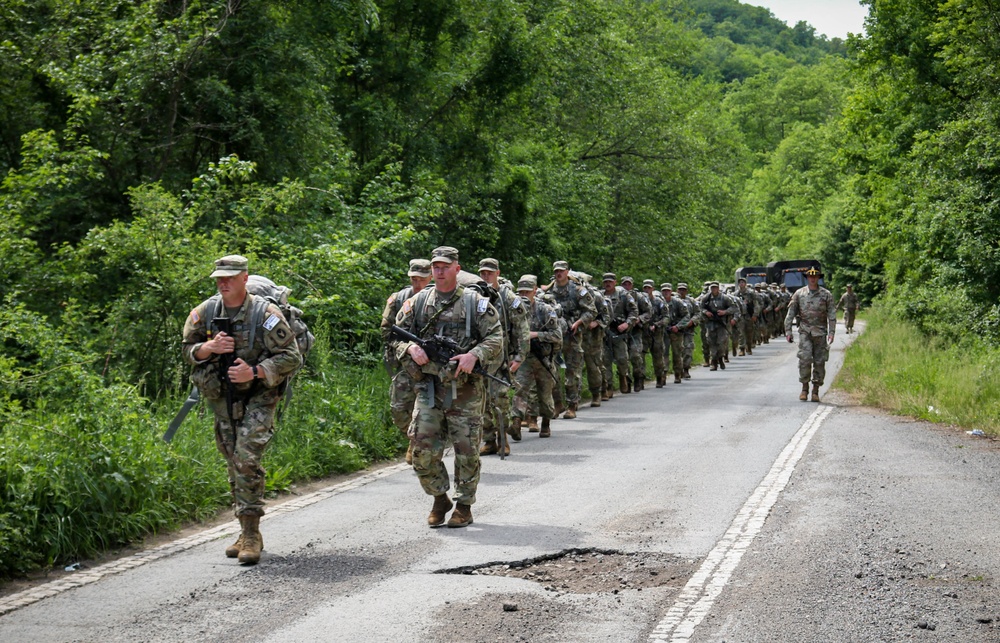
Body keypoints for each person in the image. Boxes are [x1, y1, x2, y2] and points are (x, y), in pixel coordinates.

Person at [182, 255, 302, 564]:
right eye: (219, 278)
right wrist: (207, 349)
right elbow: (186, 349)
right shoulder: (204, 313)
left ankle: (252, 534)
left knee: (246, 457)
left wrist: (257, 371)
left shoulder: (266, 314)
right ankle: (243, 530)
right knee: (232, 460)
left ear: (245, 278)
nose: (223, 283)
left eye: (230, 277)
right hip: (222, 397)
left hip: (260, 396)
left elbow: (292, 356)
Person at [394, 246, 503, 527]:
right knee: (420, 450)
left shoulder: (475, 303)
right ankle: (440, 497)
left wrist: (473, 355)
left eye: (445, 266)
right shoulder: (417, 303)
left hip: (465, 389)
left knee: (466, 450)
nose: (439, 271)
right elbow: (393, 337)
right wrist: (409, 349)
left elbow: (496, 337)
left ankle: (464, 505)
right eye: (435, 267)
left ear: (457, 268)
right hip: (429, 387)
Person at [380, 259, 432, 464]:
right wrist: (408, 347)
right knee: (399, 410)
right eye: (413, 279)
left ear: (430, 277)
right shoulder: (398, 299)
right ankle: (414, 439)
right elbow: (386, 331)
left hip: (431, 367)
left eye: (421, 279)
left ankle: (423, 447)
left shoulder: (440, 300)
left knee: (428, 412)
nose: (417, 283)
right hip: (404, 364)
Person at [477, 258, 529, 457]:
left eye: (489, 273)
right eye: (482, 273)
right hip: (480, 358)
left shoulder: (507, 297)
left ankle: (503, 438)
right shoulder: (474, 295)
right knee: (481, 401)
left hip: (502, 359)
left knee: (499, 400)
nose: (486, 276)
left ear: (497, 273)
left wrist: (519, 356)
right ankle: (488, 440)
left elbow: (522, 328)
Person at [511, 275, 562, 439]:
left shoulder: (545, 310)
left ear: (535, 290)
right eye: (521, 292)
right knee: (520, 390)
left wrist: (535, 335)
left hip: (543, 358)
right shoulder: (514, 310)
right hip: (524, 358)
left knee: (544, 393)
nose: (524, 294)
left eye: (527, 291)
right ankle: (517, 423)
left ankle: (546, 423)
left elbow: (557, 335)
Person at [548, 261, 597, 418]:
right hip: (553, 337)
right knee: (551, 370)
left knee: (572, 371)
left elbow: (591, 311)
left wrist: (579, 322)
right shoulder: (549, 291)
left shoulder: (578, 291)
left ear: (567, 272)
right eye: (556, 271)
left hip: (572, 335)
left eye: (561, 271)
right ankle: (557, 403)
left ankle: (572, 405)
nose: (558, 274)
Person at [785, 267, 836, 402]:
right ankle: (804, 388)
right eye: (810, 276)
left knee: (819, 362)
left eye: (815, 276)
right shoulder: (799, 294)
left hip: (820, 333)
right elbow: (790, 314)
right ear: (807, 278)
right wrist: (788, 331)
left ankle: (815, 390)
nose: (812, 279)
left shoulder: (826, 295)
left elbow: (832, 315)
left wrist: (831, 332)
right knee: (805, 359)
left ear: (818, 278)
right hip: (805, 332)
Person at [602, 273, 639, 394]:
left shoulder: (623, 295)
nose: (608, 284)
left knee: (622, 359)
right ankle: (608, 387)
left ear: (615, 282)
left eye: (610, 282)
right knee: (605, 360)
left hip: (619, 332)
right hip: (604, 333)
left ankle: (624, 377)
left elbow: (634, 311)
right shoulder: (600, 296)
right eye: (606, 282)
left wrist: (627, 324)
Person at [621, 276, 650, 391]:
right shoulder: (619, 296)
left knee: (635, 355)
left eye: (628, 284)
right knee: (623, 358)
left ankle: (638, 377)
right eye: (624, 284)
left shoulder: (639, 297)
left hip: (636, 331)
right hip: (621, 332)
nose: (626, 286)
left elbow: (648, 312)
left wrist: (639, 319)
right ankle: (626, 382)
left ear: (632, 285)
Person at [659, 283, 692, 384]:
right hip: (663, 331)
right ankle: (663, 374)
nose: (666, 293)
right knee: (663, 353)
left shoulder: (678, 302)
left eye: (668, 291)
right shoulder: (658, 302)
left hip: (676, 332)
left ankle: (677, 374)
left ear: (671, 291)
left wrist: (678, 326)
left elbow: (687, 316)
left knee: (677, 353)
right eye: (664, 291)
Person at [700, 282, 735, 371]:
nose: (714, 289)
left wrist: (724, 312)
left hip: (721, 323)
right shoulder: (706, 298)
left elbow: (734, 308)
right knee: (711, 343)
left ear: (718, 288)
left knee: (721, 343)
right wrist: (706, 312)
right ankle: (714, 362)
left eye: (715, 288)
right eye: (712, 288)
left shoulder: (725, 298)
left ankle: (720, 357)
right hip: (710, 323)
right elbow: (700, 308)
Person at [676, 283, 699, 379]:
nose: (682, 291)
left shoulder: (692, 301)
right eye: (680, 289)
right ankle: (678, 370)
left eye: (683, 290)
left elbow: (698, 313)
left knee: (688, 349)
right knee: (677, 350)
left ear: (686, 291)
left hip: (688, 330)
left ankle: (686, 369)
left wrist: (693, 321)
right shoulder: (674, 301)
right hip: (676, 330)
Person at [734, 278, 757, 356]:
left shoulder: (751, 293)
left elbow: (756, 305)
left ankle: (749, 346)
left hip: (749, 315)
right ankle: (742, 349)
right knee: (741, 332)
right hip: (740, 316)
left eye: (743, 282)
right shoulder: (736, 294)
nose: (741, 284)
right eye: (740, 282)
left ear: (745, 283)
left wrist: (755, 315)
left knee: (749, 332)